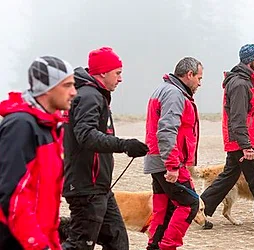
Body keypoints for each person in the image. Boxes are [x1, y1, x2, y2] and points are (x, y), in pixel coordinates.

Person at [62, 47, 149, 250]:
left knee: (117, 242)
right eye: (117, 73)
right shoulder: (89, 96)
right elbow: (86, 135)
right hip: (86, 186)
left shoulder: (94, 94)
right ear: (102, 73)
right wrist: (124, 145)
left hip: (99, 186)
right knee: (80, 245)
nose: (120, 79)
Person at [200, 44, 254, 232]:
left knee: (228, 178)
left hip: (240, 141)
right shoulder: (240, 84)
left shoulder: (245, 82)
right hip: (243, 142)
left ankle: (198, 210)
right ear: (249, 60)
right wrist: (247, 147)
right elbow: (238, 119)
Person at [0, 56, 76, 249]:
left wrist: (51, 242)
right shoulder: (21, 125)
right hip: (16, 241)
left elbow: (46, 197)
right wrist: (37, 244)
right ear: (46, 88)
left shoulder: (50, 126)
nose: (74, 92)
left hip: (40, 238)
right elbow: (13, 196)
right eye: (67, 85)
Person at [144, 57, 203, 250]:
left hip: (157, 158)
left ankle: (154, 246)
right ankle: (168, 246)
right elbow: (167, 130)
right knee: (189, 204)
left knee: (165, 207)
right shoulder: (174, 94)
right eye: (199, 78)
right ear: (189, 75)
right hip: (168, 161)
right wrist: (172, 165)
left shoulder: (164, 89)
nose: (199, 83)